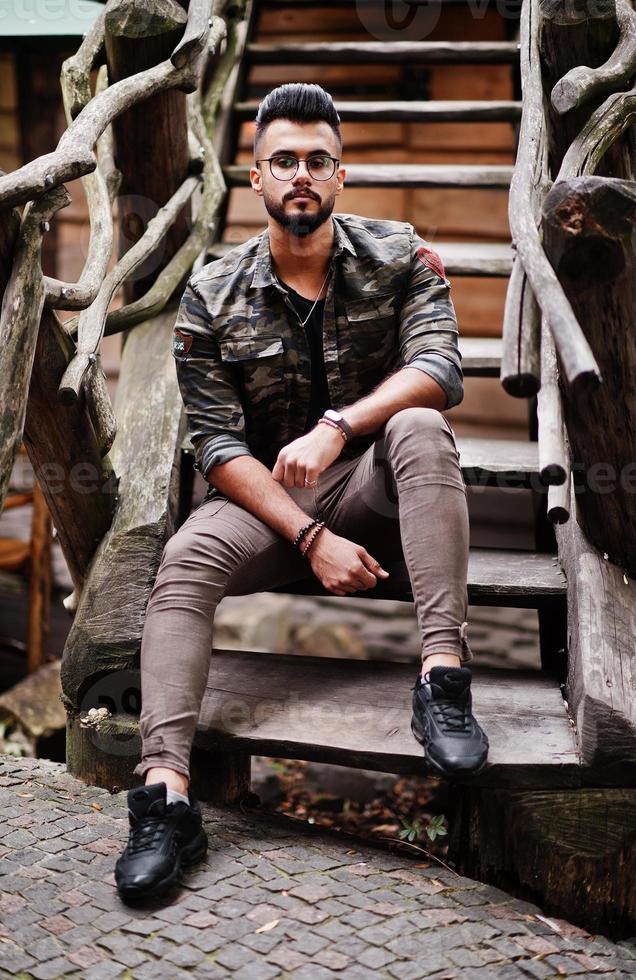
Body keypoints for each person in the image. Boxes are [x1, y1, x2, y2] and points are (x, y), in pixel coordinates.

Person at [115, 83, 489, 902]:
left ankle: (441, 678)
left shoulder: (402, 257)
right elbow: (215, 446)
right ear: (256, 179)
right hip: (264, 507)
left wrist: (339, 426)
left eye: (318, 160)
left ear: (340, 175)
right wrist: (307, 539)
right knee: (181, 559)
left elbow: (440, 371)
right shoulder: (210, 294)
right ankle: (167, 796)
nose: (301, 175)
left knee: (420, 428)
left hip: (377, 496)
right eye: (283, 159)